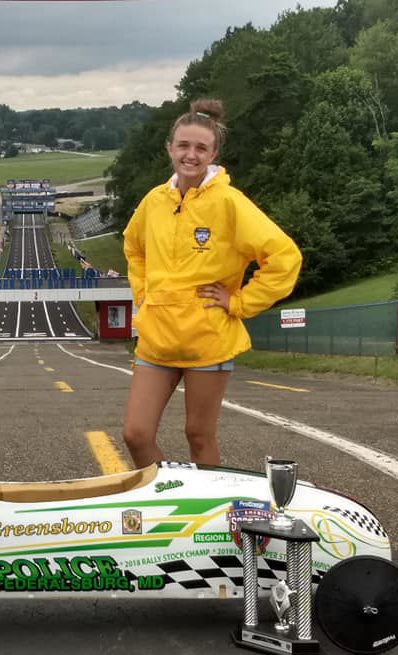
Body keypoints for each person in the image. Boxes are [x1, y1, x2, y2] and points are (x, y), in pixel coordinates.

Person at [122, 98, 302, 468]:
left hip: (207, 339)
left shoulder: (229, 202)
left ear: (213, 152)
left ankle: (206, 520)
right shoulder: (154, 201)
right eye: (183, 146)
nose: (191, 154)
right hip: (156, 339)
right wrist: (144, 294)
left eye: (200, 147)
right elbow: (133, 247)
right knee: (135, 434)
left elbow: (284, 257)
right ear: (169, 148)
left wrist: (238, 303)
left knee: (199, 436)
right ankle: (173, 501)